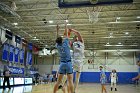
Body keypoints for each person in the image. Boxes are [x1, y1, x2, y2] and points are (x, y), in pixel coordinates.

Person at [53, 29, 74, 93]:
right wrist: (66, 26)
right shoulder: (65, 43)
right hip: (68, 63)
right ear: (62, 40)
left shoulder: (58, 46)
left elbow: (57, 40)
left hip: (62, 64)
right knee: (70, 81)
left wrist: (57, 30)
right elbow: (67, 36)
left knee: (58, 82)